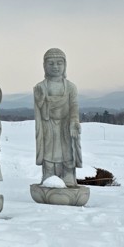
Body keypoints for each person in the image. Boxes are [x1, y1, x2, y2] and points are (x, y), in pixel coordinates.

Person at [34, 48, 81, 186]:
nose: (55, 67)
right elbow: (39, 110)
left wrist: (74, 121)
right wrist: (41, 100)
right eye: (51, 63)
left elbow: (74, 106)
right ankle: (49, 175)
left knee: (67, 150)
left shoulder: (71, 87)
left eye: (59, 63)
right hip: (47, 123)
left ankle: (68, 176)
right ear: (44, 65)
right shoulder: (40, 87)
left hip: (66, 124)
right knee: (49, 150)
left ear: (65, 65)